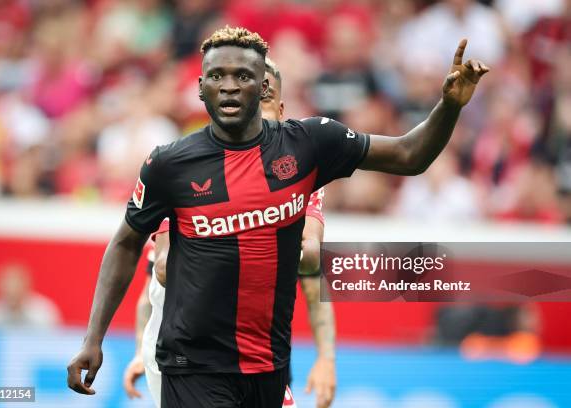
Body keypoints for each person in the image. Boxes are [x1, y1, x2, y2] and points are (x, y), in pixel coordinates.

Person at [67, 26, 488, 407]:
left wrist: (449, 106)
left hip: (268, 365)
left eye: (244, 77)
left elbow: (409, 155)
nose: (229, 87)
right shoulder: (170, 164)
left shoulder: (308, 145)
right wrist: (94, 338)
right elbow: (126, 243)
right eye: (217, 77)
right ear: (200, 88)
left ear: (263, 87)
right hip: (193, 366)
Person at [122, 58, 335, 408]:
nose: (256, 111)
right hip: (190, 355)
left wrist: (326, 358)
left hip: (259, 353)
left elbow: (312, 271)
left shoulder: (298, 176)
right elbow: (157, 272)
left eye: (265, 100)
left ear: (281, 110)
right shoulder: (189, 169)